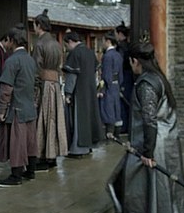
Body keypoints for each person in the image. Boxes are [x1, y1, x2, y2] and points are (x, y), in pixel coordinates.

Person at [107, 41, 184, 213]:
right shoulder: (159, 78)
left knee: (148, 190)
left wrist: (148, 153)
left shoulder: (146, 84)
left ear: (135, 61)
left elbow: (149, 121)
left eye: (131, 62)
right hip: (165, 142)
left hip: (153, 145)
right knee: (160, 191)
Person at [0, 27, 38, 187]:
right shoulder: (30, 59)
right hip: (29, 106)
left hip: (17, 107)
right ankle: (31, 171)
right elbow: (36, 84)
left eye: (7, 41)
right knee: (31, 141)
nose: (6, 44)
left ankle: (16, 175)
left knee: (17, 142)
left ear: (12, 41)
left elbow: (6, 89)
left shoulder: (12, 61)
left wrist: (2, 110)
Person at [31, 9, 68, 171]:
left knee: (43, 119)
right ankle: (52, 156)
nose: (34, 28)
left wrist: (35, 88)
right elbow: (60, 66)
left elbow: (36, 68)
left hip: (44, 84)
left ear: (39, 26)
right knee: (54, 119)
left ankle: (43, 156)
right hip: (55, 83)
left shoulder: (39, 44)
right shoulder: (57, 44)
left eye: (34, 25)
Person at [62, 30, 101, 158]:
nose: (66, 48)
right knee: (89, 118)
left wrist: (68, 93)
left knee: (78, 120)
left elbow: (71, 77)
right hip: (90, 90)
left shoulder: (75, 54)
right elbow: (95, 72)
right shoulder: (90, 52)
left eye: (66, 45)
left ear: (70, 42)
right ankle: (88, 147)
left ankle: (77, 150)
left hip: (79, 92)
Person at [98, 30, 124, 139]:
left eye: (103, 41)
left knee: (108, 110)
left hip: (108, 86)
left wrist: (102, 90)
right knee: (116, 109)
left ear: (108, 41)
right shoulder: (118, 55)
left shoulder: (107, 56)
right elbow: (120, 74)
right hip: (116, 85)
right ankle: (117, 134)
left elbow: (106, 75)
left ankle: (110, 134)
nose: (102, 44)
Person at [115, 21, 133, 134]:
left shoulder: (121, 47)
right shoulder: (129, 45)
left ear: (120, 34)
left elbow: (119, 63)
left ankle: (124, 126)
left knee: (123, 100)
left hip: (124, 75)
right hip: (128, 75)